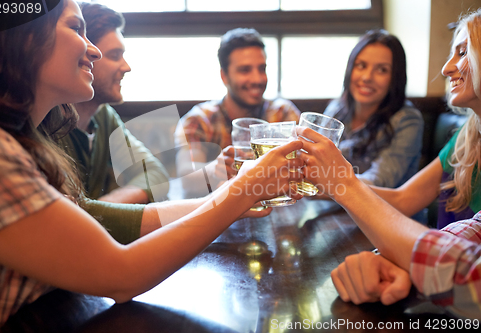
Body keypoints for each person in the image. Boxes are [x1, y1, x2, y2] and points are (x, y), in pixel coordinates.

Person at [0, 1, 304, 331]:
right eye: (77, 29)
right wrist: (240, 191)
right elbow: (120, 274)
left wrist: (230, 199)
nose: (92, 50)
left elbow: (117, 203)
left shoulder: (37, 135)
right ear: (28, 40)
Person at [298, 10, 481, 319]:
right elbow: (463, 233)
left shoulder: (406, 117)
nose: (446, 67)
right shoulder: (469, 135)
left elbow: (390, 187)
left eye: (463, 53)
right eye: (361, 66)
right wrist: (394, 261)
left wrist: (339, 183)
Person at [57, 2, 169, 204]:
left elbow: (154, 173)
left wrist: (102, 207)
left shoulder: (103, 115)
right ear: (85, 55)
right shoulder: (48, 121)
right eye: (115, 56)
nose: (126, 67)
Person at [173, 28, 301, 195]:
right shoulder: (201, 119)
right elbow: (186, 177)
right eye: (245, 70)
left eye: (262, 69)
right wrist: (214, 169)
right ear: (224, 76)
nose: (257, 79)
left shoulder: (282, 113)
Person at [324, 29, 424, 188]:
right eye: (361, 65)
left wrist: (322, 183)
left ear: (395, 78)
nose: (367, 77)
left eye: (382, 70)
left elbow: (379, 180)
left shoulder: (407, 119)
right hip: (334, 206)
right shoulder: (336, 108)